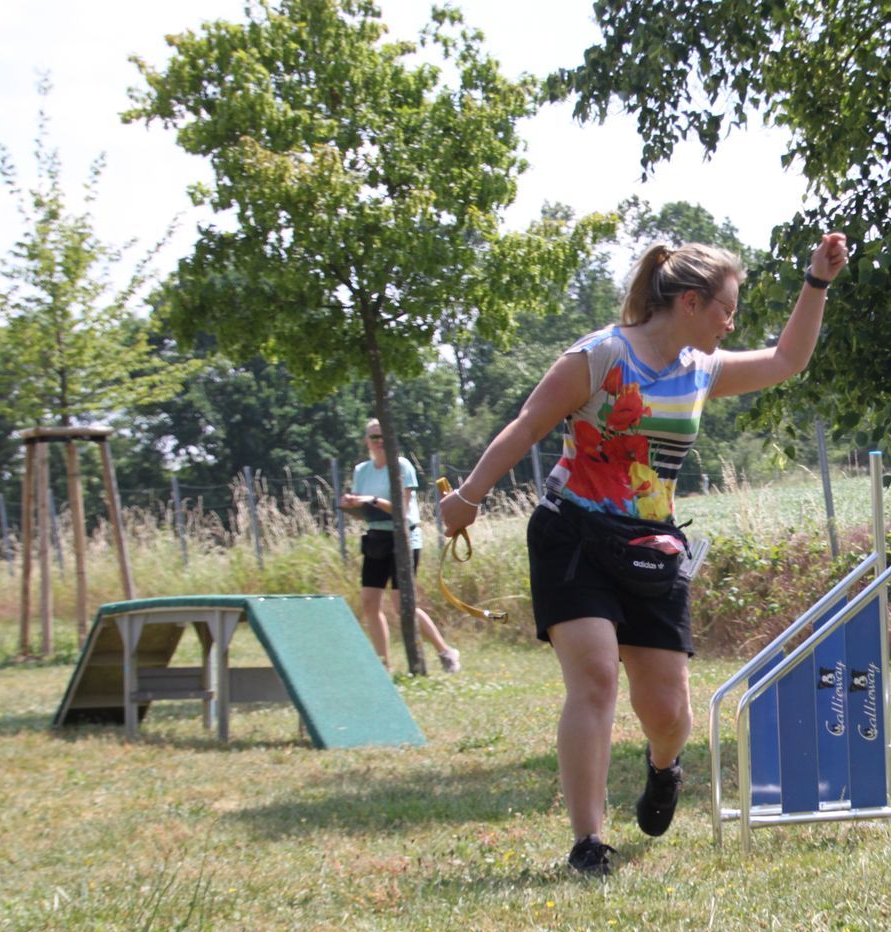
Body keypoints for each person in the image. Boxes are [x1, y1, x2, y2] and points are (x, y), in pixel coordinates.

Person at [439, 232, 850, 875]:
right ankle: (588, 841)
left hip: (652, 548)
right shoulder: (600, 356)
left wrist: (817, 282)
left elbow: (786, 360)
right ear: (690, 302)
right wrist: (469, 496)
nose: (730, 322)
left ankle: (664, 767)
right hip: (573, 533)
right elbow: (528, 425)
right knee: (596, 677)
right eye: (726, 309)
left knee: (668, 714)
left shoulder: (702, 369)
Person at [340, 419, 462, 674]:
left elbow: (402, 509)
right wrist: (350, 502)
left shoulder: (402, 466)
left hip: (404, 538)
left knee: (402, 604)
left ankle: (445, 651)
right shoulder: (362, 470)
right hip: (376, 538)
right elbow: (362, 507)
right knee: (369, 602)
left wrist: (372, 500)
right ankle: (383, 664)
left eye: (383, 436)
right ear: (366, 442)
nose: (379, 441)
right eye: (374, 437)